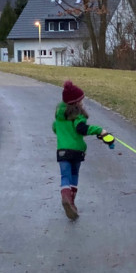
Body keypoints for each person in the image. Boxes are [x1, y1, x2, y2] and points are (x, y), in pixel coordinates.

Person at [52, 80, 108, 220]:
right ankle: (71, 202)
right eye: (81, 100)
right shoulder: (78, 115)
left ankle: (65, 196)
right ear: (76, 102)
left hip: (62, 151)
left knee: (65, 176)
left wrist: (63, 132)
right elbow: (81, 129)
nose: (82, 103)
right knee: (74, 174)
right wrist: (100, 130)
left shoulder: (59, 117)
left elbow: (54, 128)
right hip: (76, 151)